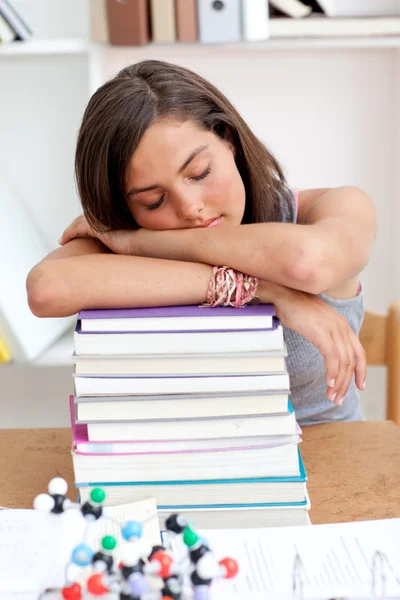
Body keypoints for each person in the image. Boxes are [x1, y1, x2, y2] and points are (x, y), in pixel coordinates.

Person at [26, 60, 377, 425]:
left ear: (228, 139)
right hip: (186, 466)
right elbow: (47, 289)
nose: (191, 208)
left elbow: (305, 263)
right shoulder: (125, 232)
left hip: (330, 457)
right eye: (153, 201)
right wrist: (264, 289)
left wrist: (139, 244)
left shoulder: (331, 207)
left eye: (199, 173)